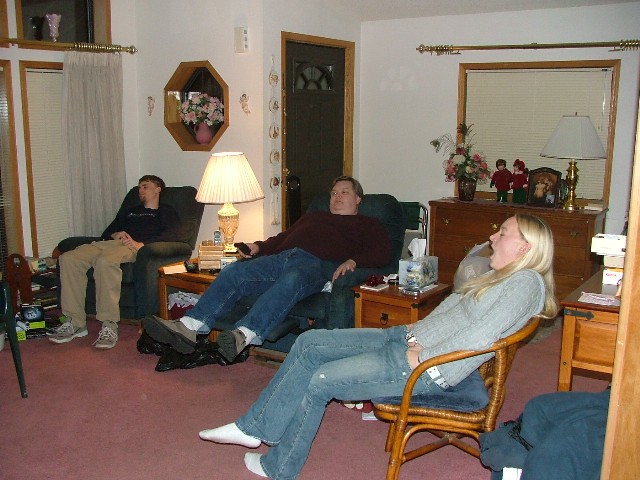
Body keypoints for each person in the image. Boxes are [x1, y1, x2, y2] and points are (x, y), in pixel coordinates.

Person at [197, 214, 559, 479]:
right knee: (308, 343)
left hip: (426, 368)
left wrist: (425, 359)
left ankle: (279, 467)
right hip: (407, 340)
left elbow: (482, 335)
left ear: (525, 247)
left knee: (321, 380)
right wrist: (413, 332)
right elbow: (455, 312)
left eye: (503, 233)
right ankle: (255, 428)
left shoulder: (526, 284)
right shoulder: (505, 277)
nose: (493, 237)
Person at [143, 176, 392, 363]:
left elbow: (383, 254)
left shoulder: (367, 225)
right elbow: (282, 237)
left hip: (315, 265)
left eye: (344, 192)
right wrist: (258, 247)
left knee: (292, 280)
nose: (337, 197)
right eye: (334, 193)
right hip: (282, 257)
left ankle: (244, 334)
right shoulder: (314, 217)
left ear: (358, 199)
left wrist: (353, 261)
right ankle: (190, 325)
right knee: (234, 272)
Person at [49, 175, 182, 349]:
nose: (140, 190)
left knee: (105, 262)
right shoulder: (130, 211)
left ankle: (109, 324)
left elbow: (173, 236)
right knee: (68, 259)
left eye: (145, 186)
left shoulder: (166, 212)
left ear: (158, 189)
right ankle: (75, 322)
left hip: (133, 247)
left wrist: (141, 244)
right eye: (139, 187)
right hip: (110, 244)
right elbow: (107, 232)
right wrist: (115, 234)